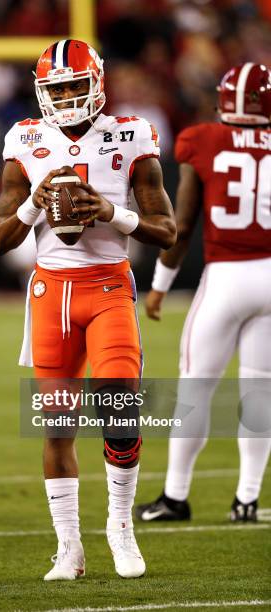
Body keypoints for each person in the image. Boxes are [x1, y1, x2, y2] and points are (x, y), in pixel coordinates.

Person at [0, 39, 176, 580]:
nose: (67, 96)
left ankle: (121, 526)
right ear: (41, 91)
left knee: (120, 410)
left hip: (108, 286)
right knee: (57, 427)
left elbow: (166, 231)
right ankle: (69, 546)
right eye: (57, 88)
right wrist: (33, 202)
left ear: (96, 83)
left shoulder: (130, 134)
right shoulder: (25, 140)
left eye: (75, 85)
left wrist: (111, 212)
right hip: (51, 293)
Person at [135, 63, 271, 524]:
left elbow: (185, 223)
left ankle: (175, 497)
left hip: (227, 279)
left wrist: (159, 287)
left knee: (195, 388)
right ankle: (246, 500)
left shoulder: (204, 139)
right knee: (260, 391)